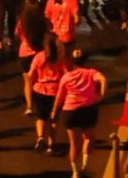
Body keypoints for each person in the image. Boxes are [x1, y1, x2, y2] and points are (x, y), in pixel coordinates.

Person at [51, 48, 107, 178]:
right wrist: (101, 95)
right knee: (88, 137)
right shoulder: (92, 72)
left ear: (73, 62)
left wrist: (54, 110)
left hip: (70, 111)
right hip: (88, 109)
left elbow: (60, 97)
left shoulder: (67, 77)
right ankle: (85, 164)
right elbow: (103, 79)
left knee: (74, 143)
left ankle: (75, 172)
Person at [29, 33, 64, 154]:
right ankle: (51, 144)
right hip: (55, 90)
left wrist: (34, 82)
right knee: (53, 119)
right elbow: (65, 73)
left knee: (41, 117)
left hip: (40, 89)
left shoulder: (39, 56)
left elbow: (30, 74)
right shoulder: (60, 57)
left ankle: (40, 137)